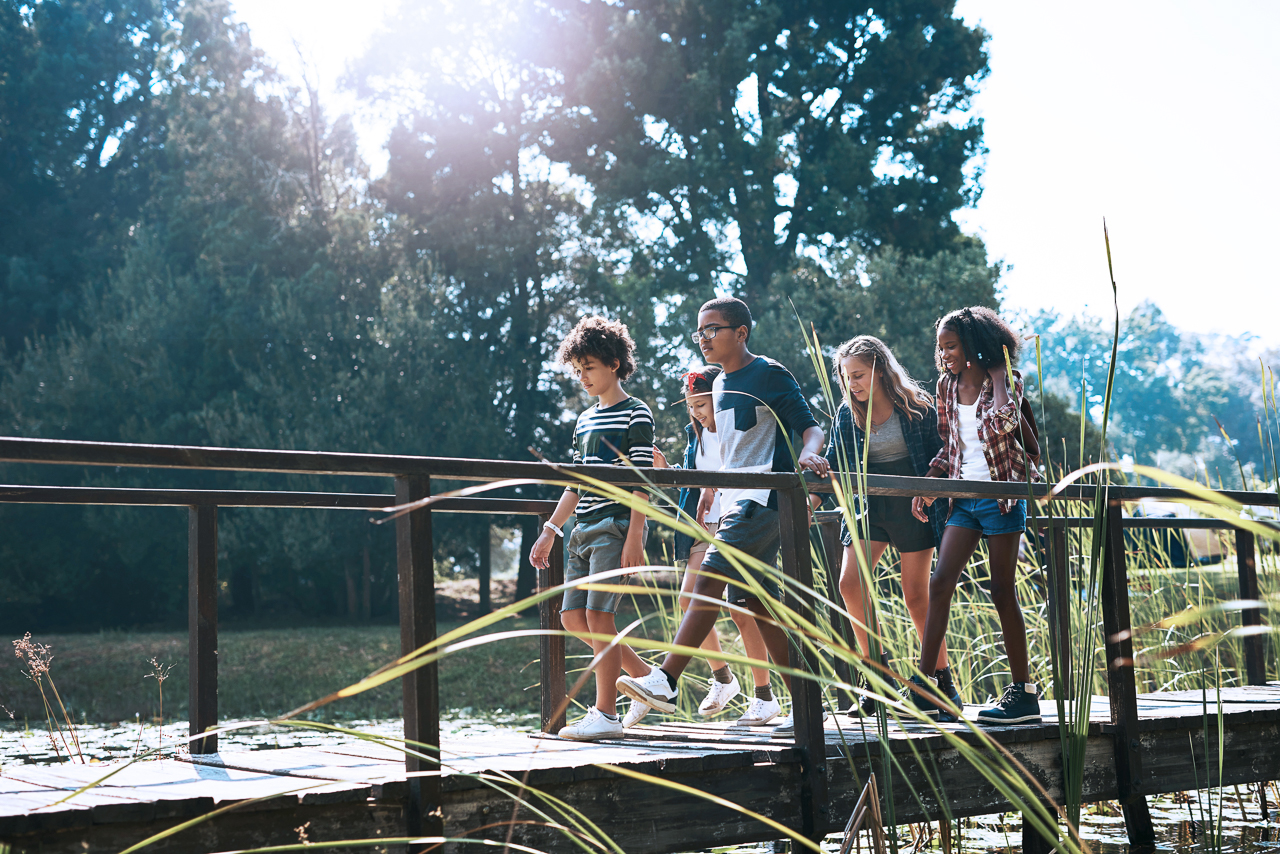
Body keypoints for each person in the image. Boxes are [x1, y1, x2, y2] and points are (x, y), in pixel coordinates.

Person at [616, 297, 829, 732]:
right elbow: (721, 459)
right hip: (736, 501)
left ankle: (667, 680)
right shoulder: (716, 387)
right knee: (757, 603)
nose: (704, 339)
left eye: (713, 329)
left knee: (709, 578)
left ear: (741, 333)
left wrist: (809, 456)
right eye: (700, 332)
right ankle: (810, 704)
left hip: (764, 499)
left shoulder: (768, 373)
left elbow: (811, 427)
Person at [909, 306, 1043, 726]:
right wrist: (930, 482)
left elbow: (1005, 424)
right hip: (962, 499)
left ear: (973, 345)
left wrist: (999, 375)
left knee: (1002, 590)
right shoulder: (946, 387)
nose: (944, 354)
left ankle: (1023, 695)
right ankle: (926, 686)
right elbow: (950, 446)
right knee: (940, 582)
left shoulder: (1007, 382)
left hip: (1002, 495)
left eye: (951, 346)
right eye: (940, 347)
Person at [529, 316, 657, 740]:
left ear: (615, 364)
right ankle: (643, 680)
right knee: (571, 618)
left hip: (615, 527)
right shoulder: (583, 421)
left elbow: (642, 480)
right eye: (577, 369)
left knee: (599, 616)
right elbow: (576, 482)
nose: (582, 377)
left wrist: (635, 536)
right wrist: (551, 528)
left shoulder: (636, 412)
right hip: (581, 530)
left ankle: (606, 714)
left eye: (589, 368)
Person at [627, 366, 776, 728]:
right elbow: (700, 477)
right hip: (704, 525)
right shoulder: (697, 434)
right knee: (690, 598)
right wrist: (670, 470)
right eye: (691, 405)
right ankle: (723, 678)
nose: (696, 411)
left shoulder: (733, 426)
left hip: (739, 515)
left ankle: (764, 696)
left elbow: (735, 469)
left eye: (702, 403)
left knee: (741, 609)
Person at [821, 336, 958, 715]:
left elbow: (944, 454)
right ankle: (878, 679)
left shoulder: (918, 408)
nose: (854, 384)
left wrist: (934, 496)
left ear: (881, 370)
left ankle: (940, 680)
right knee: (850, 585)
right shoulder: (847, 414)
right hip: (870, 505)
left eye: (860, 375)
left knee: (915, 595)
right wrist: (812, 485)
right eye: (847, 377)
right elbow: (834, 458)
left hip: (914, 504)